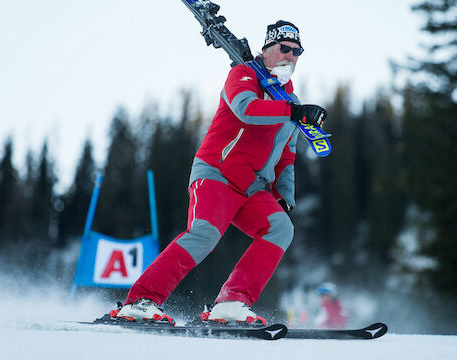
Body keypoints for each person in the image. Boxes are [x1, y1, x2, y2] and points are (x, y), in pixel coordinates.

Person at [109, 20, 327, 326]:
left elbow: (285, 157)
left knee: (281, 227)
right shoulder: (244, 74)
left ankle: (233, 302)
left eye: (297, 52)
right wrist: (294, 111)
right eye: (284, 49)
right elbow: (245, 109)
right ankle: (140, 301)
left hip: (252, 187)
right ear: (266, 50)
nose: (290, 56)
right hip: (217, 174)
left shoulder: (289, 100)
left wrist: (284, 198)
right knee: (204, 233)